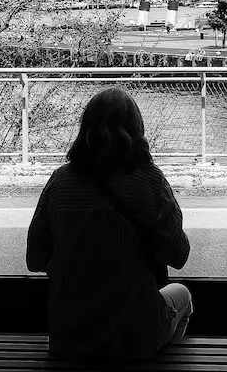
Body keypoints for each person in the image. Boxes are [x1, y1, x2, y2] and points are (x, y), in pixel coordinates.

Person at [26, 87, 193, 361]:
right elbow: (178, 255)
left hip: (70, 339)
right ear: (137, 128)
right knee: (182, 296)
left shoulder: (60, 182)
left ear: (85, 129)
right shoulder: (150, 180)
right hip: (133, 338)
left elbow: (35, 259)